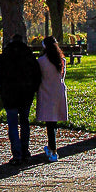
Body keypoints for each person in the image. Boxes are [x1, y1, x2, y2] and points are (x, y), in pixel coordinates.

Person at [0, 33, 42, 165]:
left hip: (10, 96)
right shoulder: (29, 57)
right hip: (26, 95)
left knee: (13, 125)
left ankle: (16, 154)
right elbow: (37, 76)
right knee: (25, 123)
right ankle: (25, 151)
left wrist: (2, 91)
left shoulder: (3, 57)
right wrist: (33, 90)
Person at [35, 35, 68, 163]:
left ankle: (53, 151)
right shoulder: (61, 60)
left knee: (49, 122)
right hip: (58, 92)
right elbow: (62, 77)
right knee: (53, 122)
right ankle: (51, 147)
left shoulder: (41, 61)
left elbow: (39, 77)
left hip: (46, 91)